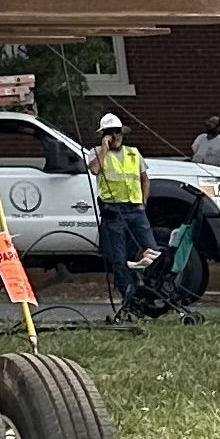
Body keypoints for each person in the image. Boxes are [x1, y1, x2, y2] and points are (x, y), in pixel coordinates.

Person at [92, 113, 156, 317]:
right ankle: (129, 300)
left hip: (135, 211)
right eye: (110, 132)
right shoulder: (97, 153)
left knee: (152, 253)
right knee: (119, 259)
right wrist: (104, 149)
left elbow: (145, 179)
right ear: (103, 135)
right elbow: (94, 170)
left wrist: (143, 203)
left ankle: (154, 295)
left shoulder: (134, 153)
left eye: (117, 131)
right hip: (114, 212)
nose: (115, 136)